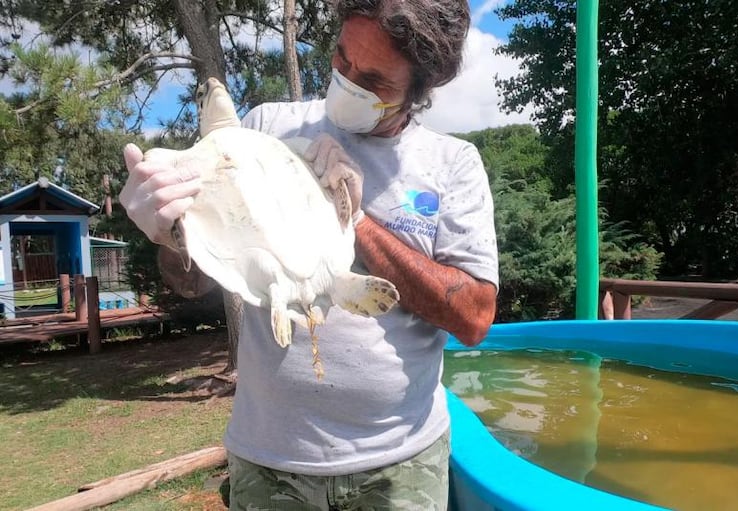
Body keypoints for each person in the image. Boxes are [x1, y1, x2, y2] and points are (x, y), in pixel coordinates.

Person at [119, 0, 498, 509]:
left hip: (400, 464)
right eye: (341, 59)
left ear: (419, 91)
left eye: (374, 79)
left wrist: (356, 220)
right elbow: (192, 284)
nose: (347, 80)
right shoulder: (262, 129)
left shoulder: (452, 163)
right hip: (271, 460)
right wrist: (169, 235)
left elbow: (473, 319)